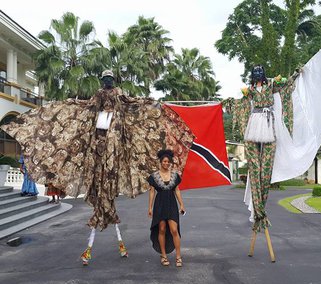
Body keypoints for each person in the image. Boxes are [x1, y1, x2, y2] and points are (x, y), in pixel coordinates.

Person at [1, 70, 194, 266]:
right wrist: (71, 105)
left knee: (109, 180)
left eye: (110, 78)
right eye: (105, 79)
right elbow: (87, 108)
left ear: (113, 80)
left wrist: (148, 103)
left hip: (115, 140)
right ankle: (109, 234)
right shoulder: (99, 95)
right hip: (100, 144)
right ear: (103, 81)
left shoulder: (118, 94)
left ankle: (106, 237)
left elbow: (131, 103)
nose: (108, 82)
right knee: (102, 184)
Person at [227, 65, 299, 232]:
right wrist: (228, 103)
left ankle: (261, 207)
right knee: (255, 164)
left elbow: (286, 85)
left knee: (266, 164)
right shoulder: (250, 90)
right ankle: (257, 207)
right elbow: (241, 103)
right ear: (252, 76)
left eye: (260, 73)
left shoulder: (271, 84)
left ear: (264, 75)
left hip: (267, 121)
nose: (258, 75)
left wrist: (295, 75)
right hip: (255, 121)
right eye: (255, 73)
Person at [147, 149, 185, 267]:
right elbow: (152, 192)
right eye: (164, 161)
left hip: (171, 204)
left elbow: (177, 190)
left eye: (168, 162)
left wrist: (182, 204)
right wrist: (150, 207)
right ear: (160, 162)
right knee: (162, 229)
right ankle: (163, 255)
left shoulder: (174, 175)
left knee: (174, 230)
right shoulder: (154, 176)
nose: (166, 163)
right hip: (159, 204)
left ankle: (178, 256)